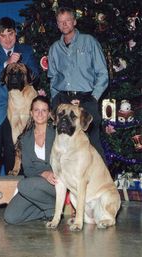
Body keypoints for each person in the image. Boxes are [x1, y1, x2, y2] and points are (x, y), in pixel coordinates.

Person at [0, 16, 39, 175]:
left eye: (10, 34)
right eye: (3, 35)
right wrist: (7, 64)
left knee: (17, 166)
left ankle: (17, 199)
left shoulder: (26, 50)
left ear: (15, 33)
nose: (7, 39)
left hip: (21, 114)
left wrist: (20, 68)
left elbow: (35, 75)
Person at [48, 7, 108, 161]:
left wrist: (93, 98)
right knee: (63, 146)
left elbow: (102, 73)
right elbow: (53, 77)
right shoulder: (54, 49)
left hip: (87, 100)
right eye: (61, 22)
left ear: (74, 21)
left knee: (93, 145)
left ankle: (101, 183)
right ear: (57, 24)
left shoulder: (89, 42)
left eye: (67, 20)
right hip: (63, 100)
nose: (64, 24)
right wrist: (56, 99)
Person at [4, 96, 56, 224]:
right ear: (31, 113)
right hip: (34, 183)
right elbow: (27, 169)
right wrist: (45, 173)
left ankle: (51, 210)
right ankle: (51, 208)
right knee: (11, 217)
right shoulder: (25, 138)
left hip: (55, 182)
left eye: (44, 110)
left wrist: (53, 174)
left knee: (23, 185)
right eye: (36, 110)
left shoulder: (57, 135)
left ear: (49, 114)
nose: (40, 114)